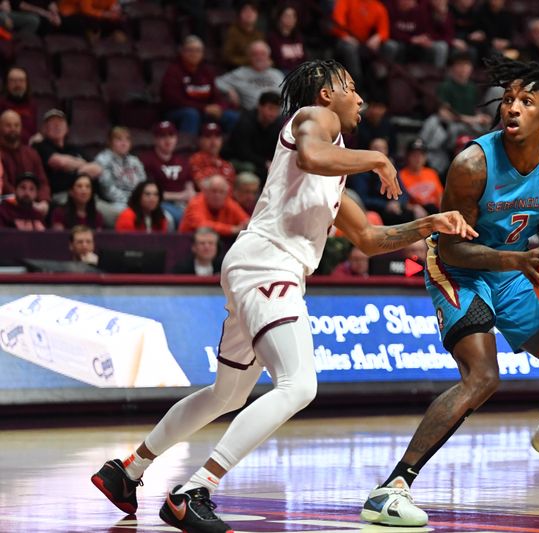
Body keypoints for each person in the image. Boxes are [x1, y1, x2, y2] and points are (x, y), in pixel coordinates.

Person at [91, 59, 475, 533]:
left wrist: (429, 224)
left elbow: (371, 240)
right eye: (351, 89)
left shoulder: (330, 174)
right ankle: (196, 490)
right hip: (269, 266)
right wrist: (377, 157)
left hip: (255, 266)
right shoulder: (315, 120)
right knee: (299, 385)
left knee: (225, 394)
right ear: (327, 94)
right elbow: (315, 154)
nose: (359, 99)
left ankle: (127, 471)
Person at [360, 57, 539, 527]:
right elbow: (453, 249)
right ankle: (390, 489)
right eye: (509, 99)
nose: (513, 108)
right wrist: (519, 260)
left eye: (526, 101)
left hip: (517, 269)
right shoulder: (472, 164)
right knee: (483, 377)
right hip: (461, 268)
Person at [32, 108, 102, 203]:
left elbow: (97, 169)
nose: (57, 126)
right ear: (44, 128)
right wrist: (83, 167)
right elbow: (59, 162)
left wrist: (75, 170)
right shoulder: (41, 146)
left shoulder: (73, 148)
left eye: (60, 122)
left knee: (120, 214)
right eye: (52, 123)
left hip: (88, 197)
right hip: (61, 196)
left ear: (67, 128)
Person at [139, 121, 194, 226]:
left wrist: (188, 197)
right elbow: (150, 193)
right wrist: (181, 196)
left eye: (171, 135)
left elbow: (190, 189)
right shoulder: (147, 160)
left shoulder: (183, 161)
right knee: (178, 218)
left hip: (183, 204)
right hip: (159, 204)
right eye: (163, 136)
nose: (168, 140)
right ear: (155, 139)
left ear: (176, 138)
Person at [95, 126, 147, 226]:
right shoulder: (102, 160)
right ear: (110, 142)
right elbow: (107, 190)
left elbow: (143, 185)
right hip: (115, 203)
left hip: (137, 202)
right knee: (130, 217)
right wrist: (132, 202)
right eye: (119, 139)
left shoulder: (135, 161)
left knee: (165, 218)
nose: (124, 143)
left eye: (127, 139)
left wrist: (140, 200)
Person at [215, 40, 284, 111]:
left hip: (283, 114)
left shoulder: (276, 73)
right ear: (249, 57)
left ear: (268, 56)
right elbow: (216, 82)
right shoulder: (240, 73)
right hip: (257, 116)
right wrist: (229, 90)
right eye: (255, 54)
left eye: (263, 54)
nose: (259, 57)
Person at [179, 174, 250, 237]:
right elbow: (202, 226)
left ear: (226, 193)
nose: (217, 195)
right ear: (205, 191)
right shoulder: (195, 203)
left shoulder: (228, 202)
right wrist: (232, 230)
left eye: (221, 192)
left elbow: (246, 221)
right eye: (214, 191)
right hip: (190, 244)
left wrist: (245, 225)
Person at [189, 122, 237, 189]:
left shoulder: (227, 165)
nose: (213, 141)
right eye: (208, 136)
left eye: (217, 136)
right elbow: (202, 186)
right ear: (199, 140)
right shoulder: (195, 160)